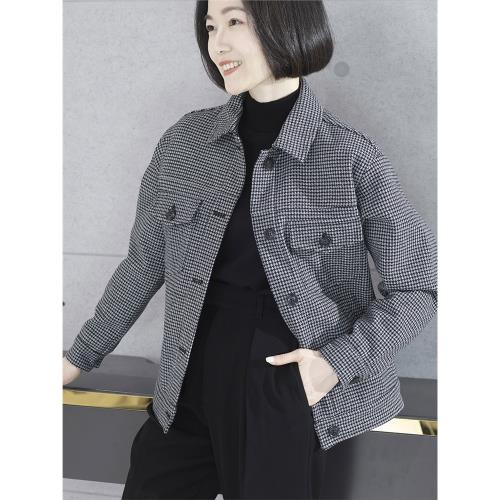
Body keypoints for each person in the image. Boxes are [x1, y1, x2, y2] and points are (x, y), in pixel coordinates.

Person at [63, 0, 437, 498]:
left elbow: (419, 289)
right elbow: (144, 264)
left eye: (235, 21)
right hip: (186, 380)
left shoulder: (348, 157)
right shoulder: (185, 143)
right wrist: (79, 358)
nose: (217, 43)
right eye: (210, 26)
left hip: (282, 390)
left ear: (286, 23)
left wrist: (333, 365)